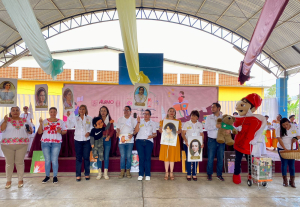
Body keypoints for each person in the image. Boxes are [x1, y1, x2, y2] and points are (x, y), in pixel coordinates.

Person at [0, 107, 32, 189]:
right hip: (7, 145)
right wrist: (5, 121)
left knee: (19, 162)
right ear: (10, 112)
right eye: (13, 110)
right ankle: (8, 181)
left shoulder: (25, 120)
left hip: (22, 145)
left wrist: (28, 130)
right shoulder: (5, 120)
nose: (15, 112)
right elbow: (2, 129)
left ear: (19, 111)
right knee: (9, 163)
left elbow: (30, 131)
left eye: (17, 110)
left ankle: (20, 180)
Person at [38, 107, 67, 184]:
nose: (53, 113)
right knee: (47, 160)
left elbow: (65, 132)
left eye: (54, 112)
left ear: (56, 113)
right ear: (49, 113)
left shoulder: (61, 122)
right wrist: (40, 124)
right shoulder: (44, 121)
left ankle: (55, 176)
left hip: (56, 143)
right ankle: (47, 176)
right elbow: (39, 132)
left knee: (54, 160)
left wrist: (60, 131)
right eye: (51, 112)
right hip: (45, 143)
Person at [66, 105, 93, 182]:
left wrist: (89, 132)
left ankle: (87, 173)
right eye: (80, 109)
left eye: (83, 109)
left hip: (87, 140)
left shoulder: (89, 118)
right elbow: (70, 126)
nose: (81, 110)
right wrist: (69, 118)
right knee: (78, 158)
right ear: (78, 110)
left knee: (86, 157)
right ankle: (78, 175)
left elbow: (92, 127)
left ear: (86, 110)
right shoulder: (75, 118)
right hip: (77, 140)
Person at [159, 107, 182, 180]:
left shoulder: (178, 121)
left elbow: (180, 130)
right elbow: (160, 129)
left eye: (173, 111)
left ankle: (171, 172)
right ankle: (166, 172)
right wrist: (161, 130)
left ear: (175, 113)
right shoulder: (163, 121)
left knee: (172, 156)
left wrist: (179, 131)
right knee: (166, 156)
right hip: (165, 141)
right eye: (170, 111)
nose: (172, 112)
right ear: (168, 112)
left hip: (174, 140)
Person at [134, 109, 157, 181]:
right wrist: (138, 122)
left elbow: (155, 134)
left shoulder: (153, 123)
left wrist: (152, 136)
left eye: (147, 114)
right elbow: (136, 131)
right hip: (139, 141)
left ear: (150, 115)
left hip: (149, 142)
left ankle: (147, 174)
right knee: (141, 158)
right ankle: (140, 174)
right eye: (145, 114)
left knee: (147, 158)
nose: (146, 115)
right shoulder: (139, 122)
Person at [277, 118, 300, 188]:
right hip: (282, 149)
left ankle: (292, 181)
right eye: (283, 125)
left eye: (287, 124)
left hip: (292, 149)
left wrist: (295, 138)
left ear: (289, 122)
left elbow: (298, 136)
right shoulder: (279, 129)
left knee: (292, 165)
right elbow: (279, 139)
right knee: (284, 164)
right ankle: (285, 180)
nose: (285, 126)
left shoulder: (294, 127)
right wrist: (285, 148)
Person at [182, 110, 204, 181]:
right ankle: (188, 174)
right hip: (187, 144)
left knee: (196, 158)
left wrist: (202, 143)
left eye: (194, 116)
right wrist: (186, 141)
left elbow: (201, 134)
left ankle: (194, 174)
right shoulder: (187, 123)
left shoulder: (200, 124)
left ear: (197, 117)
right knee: (189, 158)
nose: (193, 117)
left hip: (196, 144)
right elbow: (183, 133)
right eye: (192, 115)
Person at [205, 102, 225, 181]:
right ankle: (209, 174)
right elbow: (206, 127)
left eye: (214, 107)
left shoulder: (223, 118)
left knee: (220, 158)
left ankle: (219, 174)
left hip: (221, 140)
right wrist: (215, 126)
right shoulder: (209, 117)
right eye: (211, 107)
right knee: (210, 158)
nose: (212, 109)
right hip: (211, 139)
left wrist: (227, 130)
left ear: (218, 108)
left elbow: (228, 127)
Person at [116, 106, 137, 179]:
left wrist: (133, 134)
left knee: (128, 156)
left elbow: (136, 129)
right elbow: (118, 128)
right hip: (121, 140)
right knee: (122, 156)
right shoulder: (120, 119)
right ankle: (122, 171)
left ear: (130, 111)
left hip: (130, 140)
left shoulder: (133, 120)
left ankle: (128, 170)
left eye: (127, 110)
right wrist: (118, 132)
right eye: (124, 110)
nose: (126, 111)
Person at [97, 106, 115, 180]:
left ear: (107, 112)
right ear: (100, 112)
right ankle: (99, 173)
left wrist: (109, 137)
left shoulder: (110, 120)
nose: (103, 112)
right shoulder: (97, 120)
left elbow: (112, 130)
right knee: (99, 157)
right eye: (102, 111)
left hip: (107, 140)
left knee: (106, 157)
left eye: (104, 110)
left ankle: (105, 173)